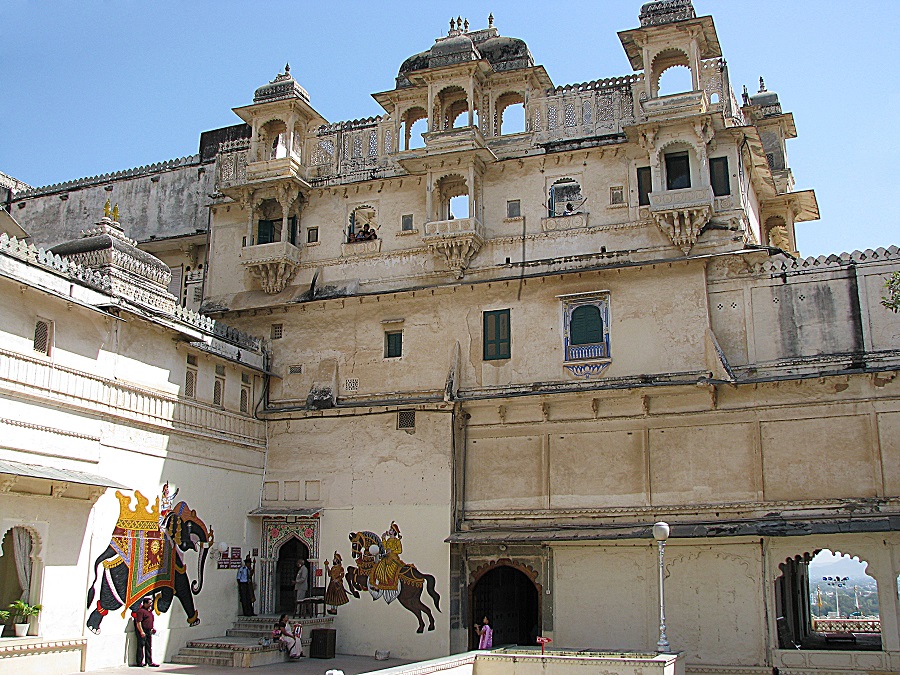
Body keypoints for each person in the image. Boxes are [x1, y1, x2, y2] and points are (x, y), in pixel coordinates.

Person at [132, 596, 158, 667]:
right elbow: (138, 622)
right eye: (149, 603)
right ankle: (139, 662)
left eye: (151, 603)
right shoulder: (141, 611)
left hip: (149, 631)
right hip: (143, 631)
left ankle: (149, 661)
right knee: (141, 646)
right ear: (145, 603)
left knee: (148, 646)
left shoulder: (149, 612)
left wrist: (152, 628)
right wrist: (141, 631)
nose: (151, 604)